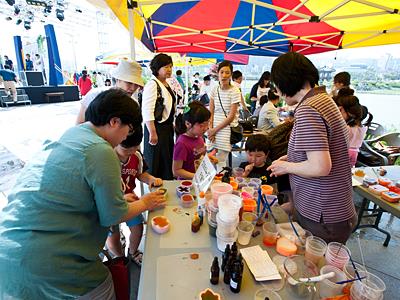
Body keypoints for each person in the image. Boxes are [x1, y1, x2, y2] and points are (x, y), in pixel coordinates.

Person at [0, 89, 167, 299]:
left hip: (9, 254)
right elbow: (113, 216)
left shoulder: (72, 135)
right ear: (115, 122)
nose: (127, 136)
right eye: (129, 129)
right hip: (46, 262)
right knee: (103, 287)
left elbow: (69, 193)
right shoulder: (101, 149)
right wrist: (146, 202)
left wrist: (118, 199)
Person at [268, 52, 356, 244]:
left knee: (315, 266)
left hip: (323, 212)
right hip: (336, 208)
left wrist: (287, 167)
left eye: (276, 85)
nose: (276, 91)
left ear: (285, 81)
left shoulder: (309, 108)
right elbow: (338, 142)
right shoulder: (324, 100)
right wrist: (292, 158)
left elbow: (321, 167)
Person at [106, 126, 163, 265]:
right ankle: (120, 258)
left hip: (131, 201)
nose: (130, 153)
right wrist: (119, 199)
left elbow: (139, 173)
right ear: (116, 142)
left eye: (135, 148)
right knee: (113, 238)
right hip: (110, 203)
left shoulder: (136, 155)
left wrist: (150, 179)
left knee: (138, 228)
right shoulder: (106, 158)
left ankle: (132, 253)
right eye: (126, 150)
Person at [76, 60, 144, 124]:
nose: (133, 88)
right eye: (129, 83)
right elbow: (79, 125)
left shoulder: (134, 104)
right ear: (118, 79)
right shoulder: (95, 95)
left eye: (136, 84)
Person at [142, 53, 176, 180]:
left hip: (165, 128)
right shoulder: (152, 84)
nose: (169, 69)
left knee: (166, 160)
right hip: (156, 129)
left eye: (170, 67)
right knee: (155, 162)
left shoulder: (165, 83)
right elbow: (147, 110)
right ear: (157, 68)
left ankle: (166, 187)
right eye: (165, 67)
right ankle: (155, 189)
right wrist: (152, 132)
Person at [207, 60, 241, 170]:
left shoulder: (235, 91)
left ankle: (220, 184)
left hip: (226, 129)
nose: (224, 75)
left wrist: (214, 130)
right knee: (209, 159)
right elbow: (210, 111)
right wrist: (210, 128)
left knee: (221, 162)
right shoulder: (214, 89)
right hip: (213, 127)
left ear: (231, 74)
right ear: (218, 73)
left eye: (227, 72)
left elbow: (231, 116)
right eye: (221, 72)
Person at [334, 88, 372, 167]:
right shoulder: (364, 128)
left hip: (346, 151)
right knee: (350, 168)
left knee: (342, 167)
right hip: (355, 152)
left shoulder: (347, 128)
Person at [173, 101, 211, 179]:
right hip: (187, 184)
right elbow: (176, 171)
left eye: (208, 123)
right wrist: (197, 177)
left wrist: (209, 158)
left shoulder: (199, 137)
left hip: (200, 180)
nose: (206, 128)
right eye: (202, 125)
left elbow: (199, 157)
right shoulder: (181, 144)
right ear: (188, 124)